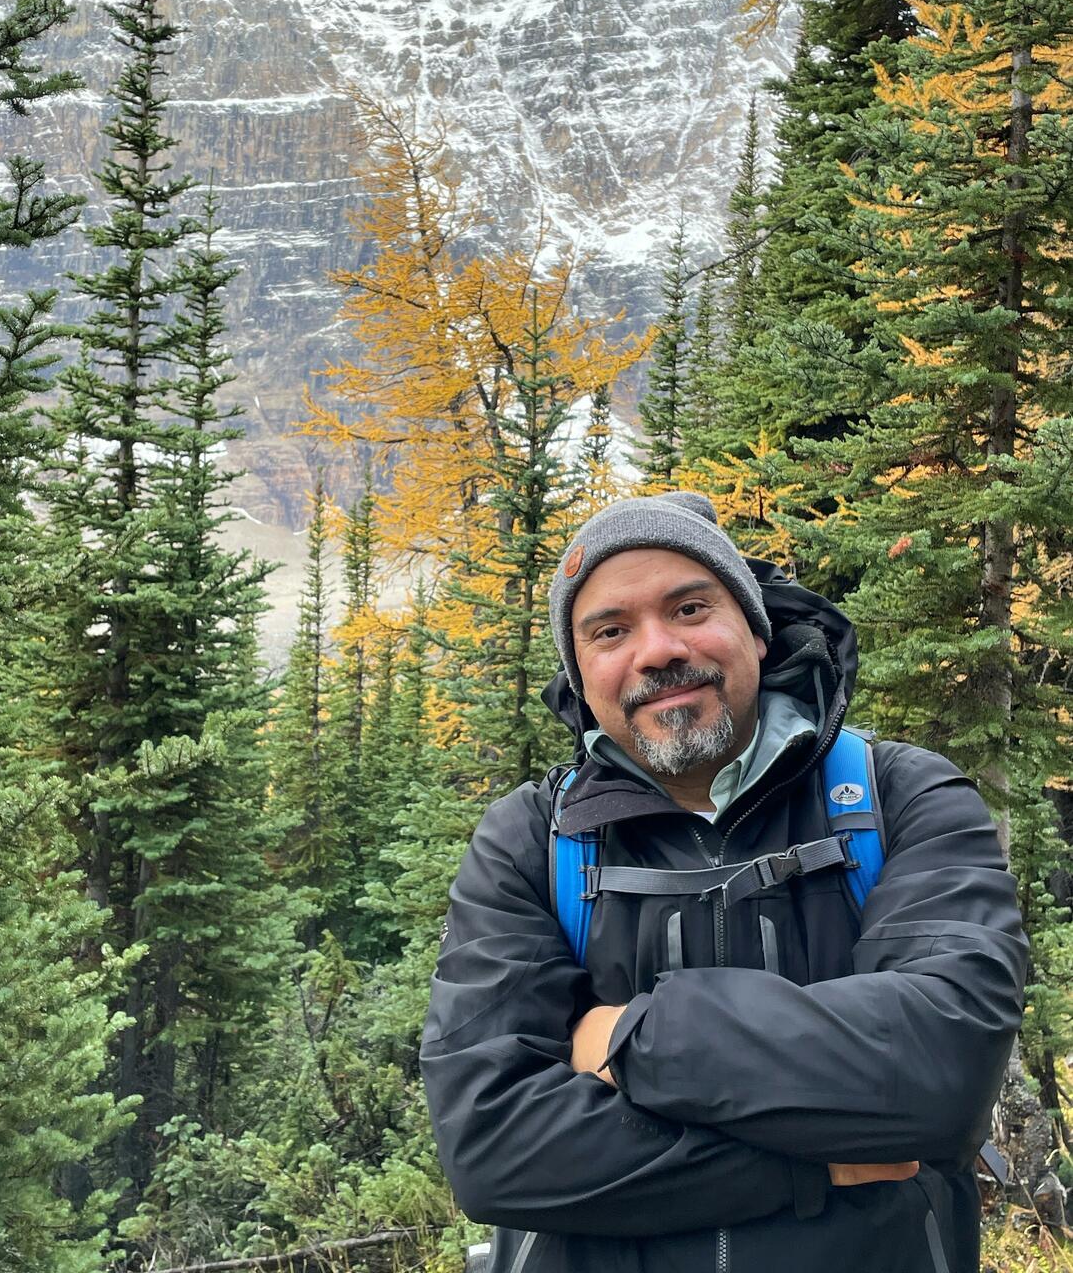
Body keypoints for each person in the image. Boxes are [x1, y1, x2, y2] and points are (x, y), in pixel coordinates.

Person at [420, 491, 1028, 1273]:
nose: (657, 650)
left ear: (755, 627)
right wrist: (812, 1164)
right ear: (581, 676)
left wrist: (626, 1038)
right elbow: (492, 1146)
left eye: (690, 607)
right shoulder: (531, 842)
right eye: (610, 630)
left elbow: (940, 1075)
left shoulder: (903, 797)